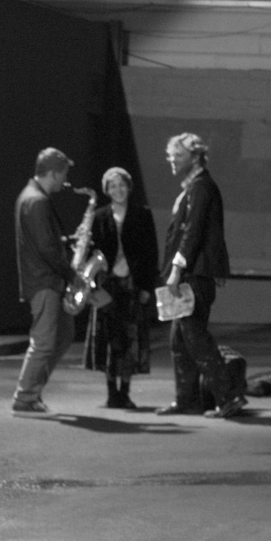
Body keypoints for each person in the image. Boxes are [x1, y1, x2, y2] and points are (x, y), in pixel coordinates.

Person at [157, 132, 247, 419]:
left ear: (195, 157)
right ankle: (187, 400)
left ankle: (228, 397)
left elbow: (192, 233)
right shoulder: (193, 188)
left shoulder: (201, 187)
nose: (172, 160)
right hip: (190, 276)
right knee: (179, 341)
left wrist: (175, 270)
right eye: (170, 155)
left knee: (195, 337)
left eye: (178, 155)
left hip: (194, 276)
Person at [83, 167, 159, 409]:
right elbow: (89, 253)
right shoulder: (98, 216)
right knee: (108, 337)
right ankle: (110, 392)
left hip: (132, 283)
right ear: (107, 190)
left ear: (129, 187)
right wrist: (92, 284)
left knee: (130, 338)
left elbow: (151, 254)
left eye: (122, 185)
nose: (118, 190)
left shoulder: (142, 215)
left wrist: (147, 286)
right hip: (107, 283)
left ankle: (124, 391)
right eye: (113, 186)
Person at [13, 147, 80, 415]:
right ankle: (25, 396)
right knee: (43, 342)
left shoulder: (32, 197)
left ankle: (32, 393)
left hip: (45, 280)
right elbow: (46, 249)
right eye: (63, 174)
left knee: (63, 335)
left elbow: (45, 242)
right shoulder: (37, 201)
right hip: (45, 282)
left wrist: (66, 241)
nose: (65, 180)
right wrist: (72, 275)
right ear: (52, 172)